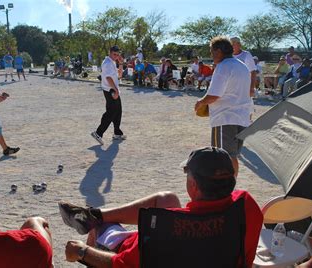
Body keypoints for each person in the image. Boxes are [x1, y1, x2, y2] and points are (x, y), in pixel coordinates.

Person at [59, 146, 263, 267]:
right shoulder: (247, 208)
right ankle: (95, 214)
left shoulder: (167, 230)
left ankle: (95, 221)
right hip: (208, 255)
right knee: (168, 198)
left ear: (193, 185)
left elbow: (118, 265)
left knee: (100, 229)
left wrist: (81, 252)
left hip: (132, 250)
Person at [195, 36, 251, 177]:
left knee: (221, 157)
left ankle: (223, 189)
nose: (211, 55)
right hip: (242, 118)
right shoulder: (242, 65)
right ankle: (231, 185)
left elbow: (214, 95)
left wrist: (200, 102)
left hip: (225, 118)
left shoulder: (223, 66)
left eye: (212, 51)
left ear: (219, 51)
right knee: (232, 156)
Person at [91, 46, 126, 145]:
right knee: (111, 112)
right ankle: (98, 133)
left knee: (118, 111)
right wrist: (116, 90)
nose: (116, 56)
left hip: (113, 89)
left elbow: (119, 75)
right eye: (114, 54)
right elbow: (108, 78)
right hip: (110, 89)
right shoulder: (107, 63)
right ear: (109, 52)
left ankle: (117, 133)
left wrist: (121, 64)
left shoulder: (112, 62)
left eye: (117, 54)